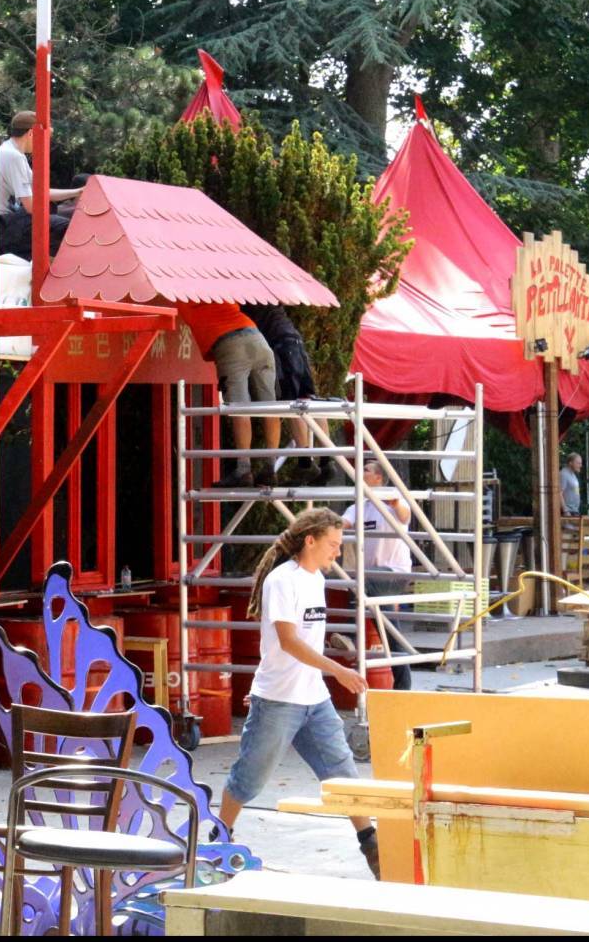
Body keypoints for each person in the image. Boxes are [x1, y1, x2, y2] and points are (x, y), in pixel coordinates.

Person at [220, 508, 380, 877]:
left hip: (314, 698)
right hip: (278, 699)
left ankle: (371, 845)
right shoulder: (282, 580)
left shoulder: (316, 579)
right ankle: (218, 837)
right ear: (310, 541)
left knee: (342, 771)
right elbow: (288, 642)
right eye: (333, 544)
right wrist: (338, 670)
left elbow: (304, 640)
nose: (337, 552)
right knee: (250, 778)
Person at [340, 459, 414, 691]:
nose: (360, 472)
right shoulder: (359, 505)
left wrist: (395, 503)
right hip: (372, 579)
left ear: (378, 477)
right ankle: (403, 688)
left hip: (394, 573)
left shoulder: (393, 499)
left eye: (366, 470)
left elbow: (405, 516)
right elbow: (342, 523)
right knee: (389, 631)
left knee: (359, 580)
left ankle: (350, 636)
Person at [195, 303, 280, 487]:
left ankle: (243, 470)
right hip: (257, 338)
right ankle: (270, 468)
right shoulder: (219, 288)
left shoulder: (182, 292)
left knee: (239, 408)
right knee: (270, 407)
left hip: (229, 344)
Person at [241, 303, 322, 485]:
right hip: (294, 339)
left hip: (280, 344)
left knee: (290, 403)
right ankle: (326, 462)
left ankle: (305, 463)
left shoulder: (246, 297)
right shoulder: (267, 292)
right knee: (310, 399)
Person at [0, 110, 84, 260]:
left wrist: (77, 192)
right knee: (67, 228)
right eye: (44, 138)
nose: (44, 144)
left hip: (6, 224)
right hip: (2, 227)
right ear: (31, 133)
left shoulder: (9, 151)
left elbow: (41, 191)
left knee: (53, 213)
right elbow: (31, 206)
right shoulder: (14, 156)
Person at [560, 452, 583, 517]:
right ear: (570, 463)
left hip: (574, 511)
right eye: (578, 463)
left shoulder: (573, 475)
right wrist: (565, 510)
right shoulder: (563, 474)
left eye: (581, 463)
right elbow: (559, 493)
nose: (580, 465)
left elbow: (576, 491)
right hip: (567, 512)